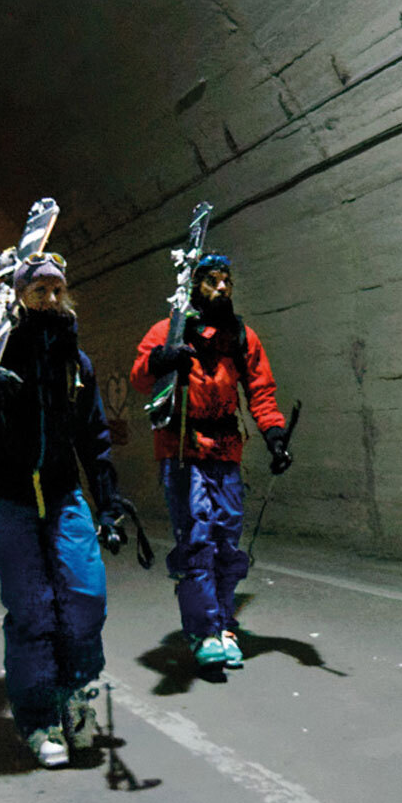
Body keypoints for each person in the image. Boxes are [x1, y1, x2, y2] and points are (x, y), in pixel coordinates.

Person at [0, 252, 130, 768]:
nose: (51, 299)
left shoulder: (74, 364)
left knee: (86, 598)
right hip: (4, 499)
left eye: (58, 290)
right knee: (33, 607)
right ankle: (39, 718)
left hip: (63, 496)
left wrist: (107, 507)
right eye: (39, 291)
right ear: (18, 296)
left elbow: (94, 439)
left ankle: (78, 703)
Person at [129, 252, 290, 672]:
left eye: (226, 281)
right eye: (211, 281)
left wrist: (274, 434)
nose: (222, 288)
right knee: (197, 536)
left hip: (225, 447)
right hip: (182, 445)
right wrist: (164, 360)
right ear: (193, 286)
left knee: (225, 539)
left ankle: (224, 624)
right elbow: (140, 377)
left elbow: (260, 390)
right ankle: (203, 630)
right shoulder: (169, 331)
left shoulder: (240, 336)